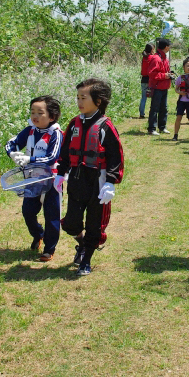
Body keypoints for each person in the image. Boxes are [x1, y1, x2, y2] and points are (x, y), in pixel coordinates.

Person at [56, 78, 125, 275]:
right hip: (78, 179)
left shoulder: (106, 126)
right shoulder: (74, 123)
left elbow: (115, 156)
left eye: (83, 97)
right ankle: (82, 244)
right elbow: (66, 150)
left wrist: (110, 182)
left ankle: (86, 260)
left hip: (98, 181)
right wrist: (61, 173)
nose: (79, 101)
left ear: (99, 101)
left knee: (95, 224)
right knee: (71, 222)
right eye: (77, 97)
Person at [5, 96, 64, 261]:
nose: (35, 116)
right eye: (32, 112)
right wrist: (14, 154)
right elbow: (11, 143)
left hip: (52, 180)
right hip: (31, 180)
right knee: (28, 212)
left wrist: (30, 160)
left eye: (40, 112)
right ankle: (38, 234)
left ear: (52, 116)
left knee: (52, 215)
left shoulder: (56, 134)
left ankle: (49, 249)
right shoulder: (29, 130)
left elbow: (52, 157)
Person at [147, 38, 176, 135]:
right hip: (157, 87)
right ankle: (152, 128)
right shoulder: (156, 58)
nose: (169, 48)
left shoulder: (164, 58)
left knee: (164, 108)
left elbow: (165, 71)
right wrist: (165, 75)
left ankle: (162, 127)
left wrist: (170, 74)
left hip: (164, 87)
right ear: (166, 47)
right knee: (155, 108)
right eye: (169, 46)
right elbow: (152, 74)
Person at [139, 43, 153, 119]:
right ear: (151, 50)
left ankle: (141, 113)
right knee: (153, 96)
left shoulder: (144, 58)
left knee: (143, 97)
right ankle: (152, 112)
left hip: (143, 79)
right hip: (150, 79)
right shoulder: (151, 57)